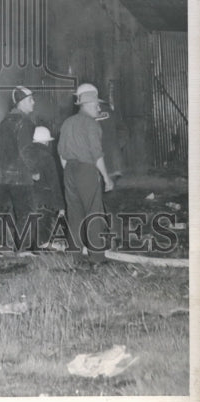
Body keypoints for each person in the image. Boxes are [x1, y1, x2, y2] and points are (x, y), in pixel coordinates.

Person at [58, 83, 114, 269]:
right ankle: (97, 258)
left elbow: (61, 153)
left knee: (74, 213)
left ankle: (74, 255)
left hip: (69, 171)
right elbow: (97, 154)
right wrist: (106, 178)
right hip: (86, 170)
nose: (99, 108)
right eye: (97, 104)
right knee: (94, 211)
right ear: (89, 104)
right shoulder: (91, 124)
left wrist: (68, 173)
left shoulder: (67, 123)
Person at [0, 85, 36, 249]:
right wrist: (34, 170)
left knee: (1, 210)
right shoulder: (25, 122)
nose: (34, 102)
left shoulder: (5, 122)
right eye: (30, 99)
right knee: (26, 212)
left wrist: (0, 169)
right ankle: (24, 247)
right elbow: (26, 150)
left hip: (3, 175)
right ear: (22, 102)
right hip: (20, 176)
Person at [28, 126, 65, 247]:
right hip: (43, 201)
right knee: (43, 227)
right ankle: (43, 243)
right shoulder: (47, 157)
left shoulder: (24, 155)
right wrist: (61, 206)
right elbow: (54, 183)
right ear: (46, 141)